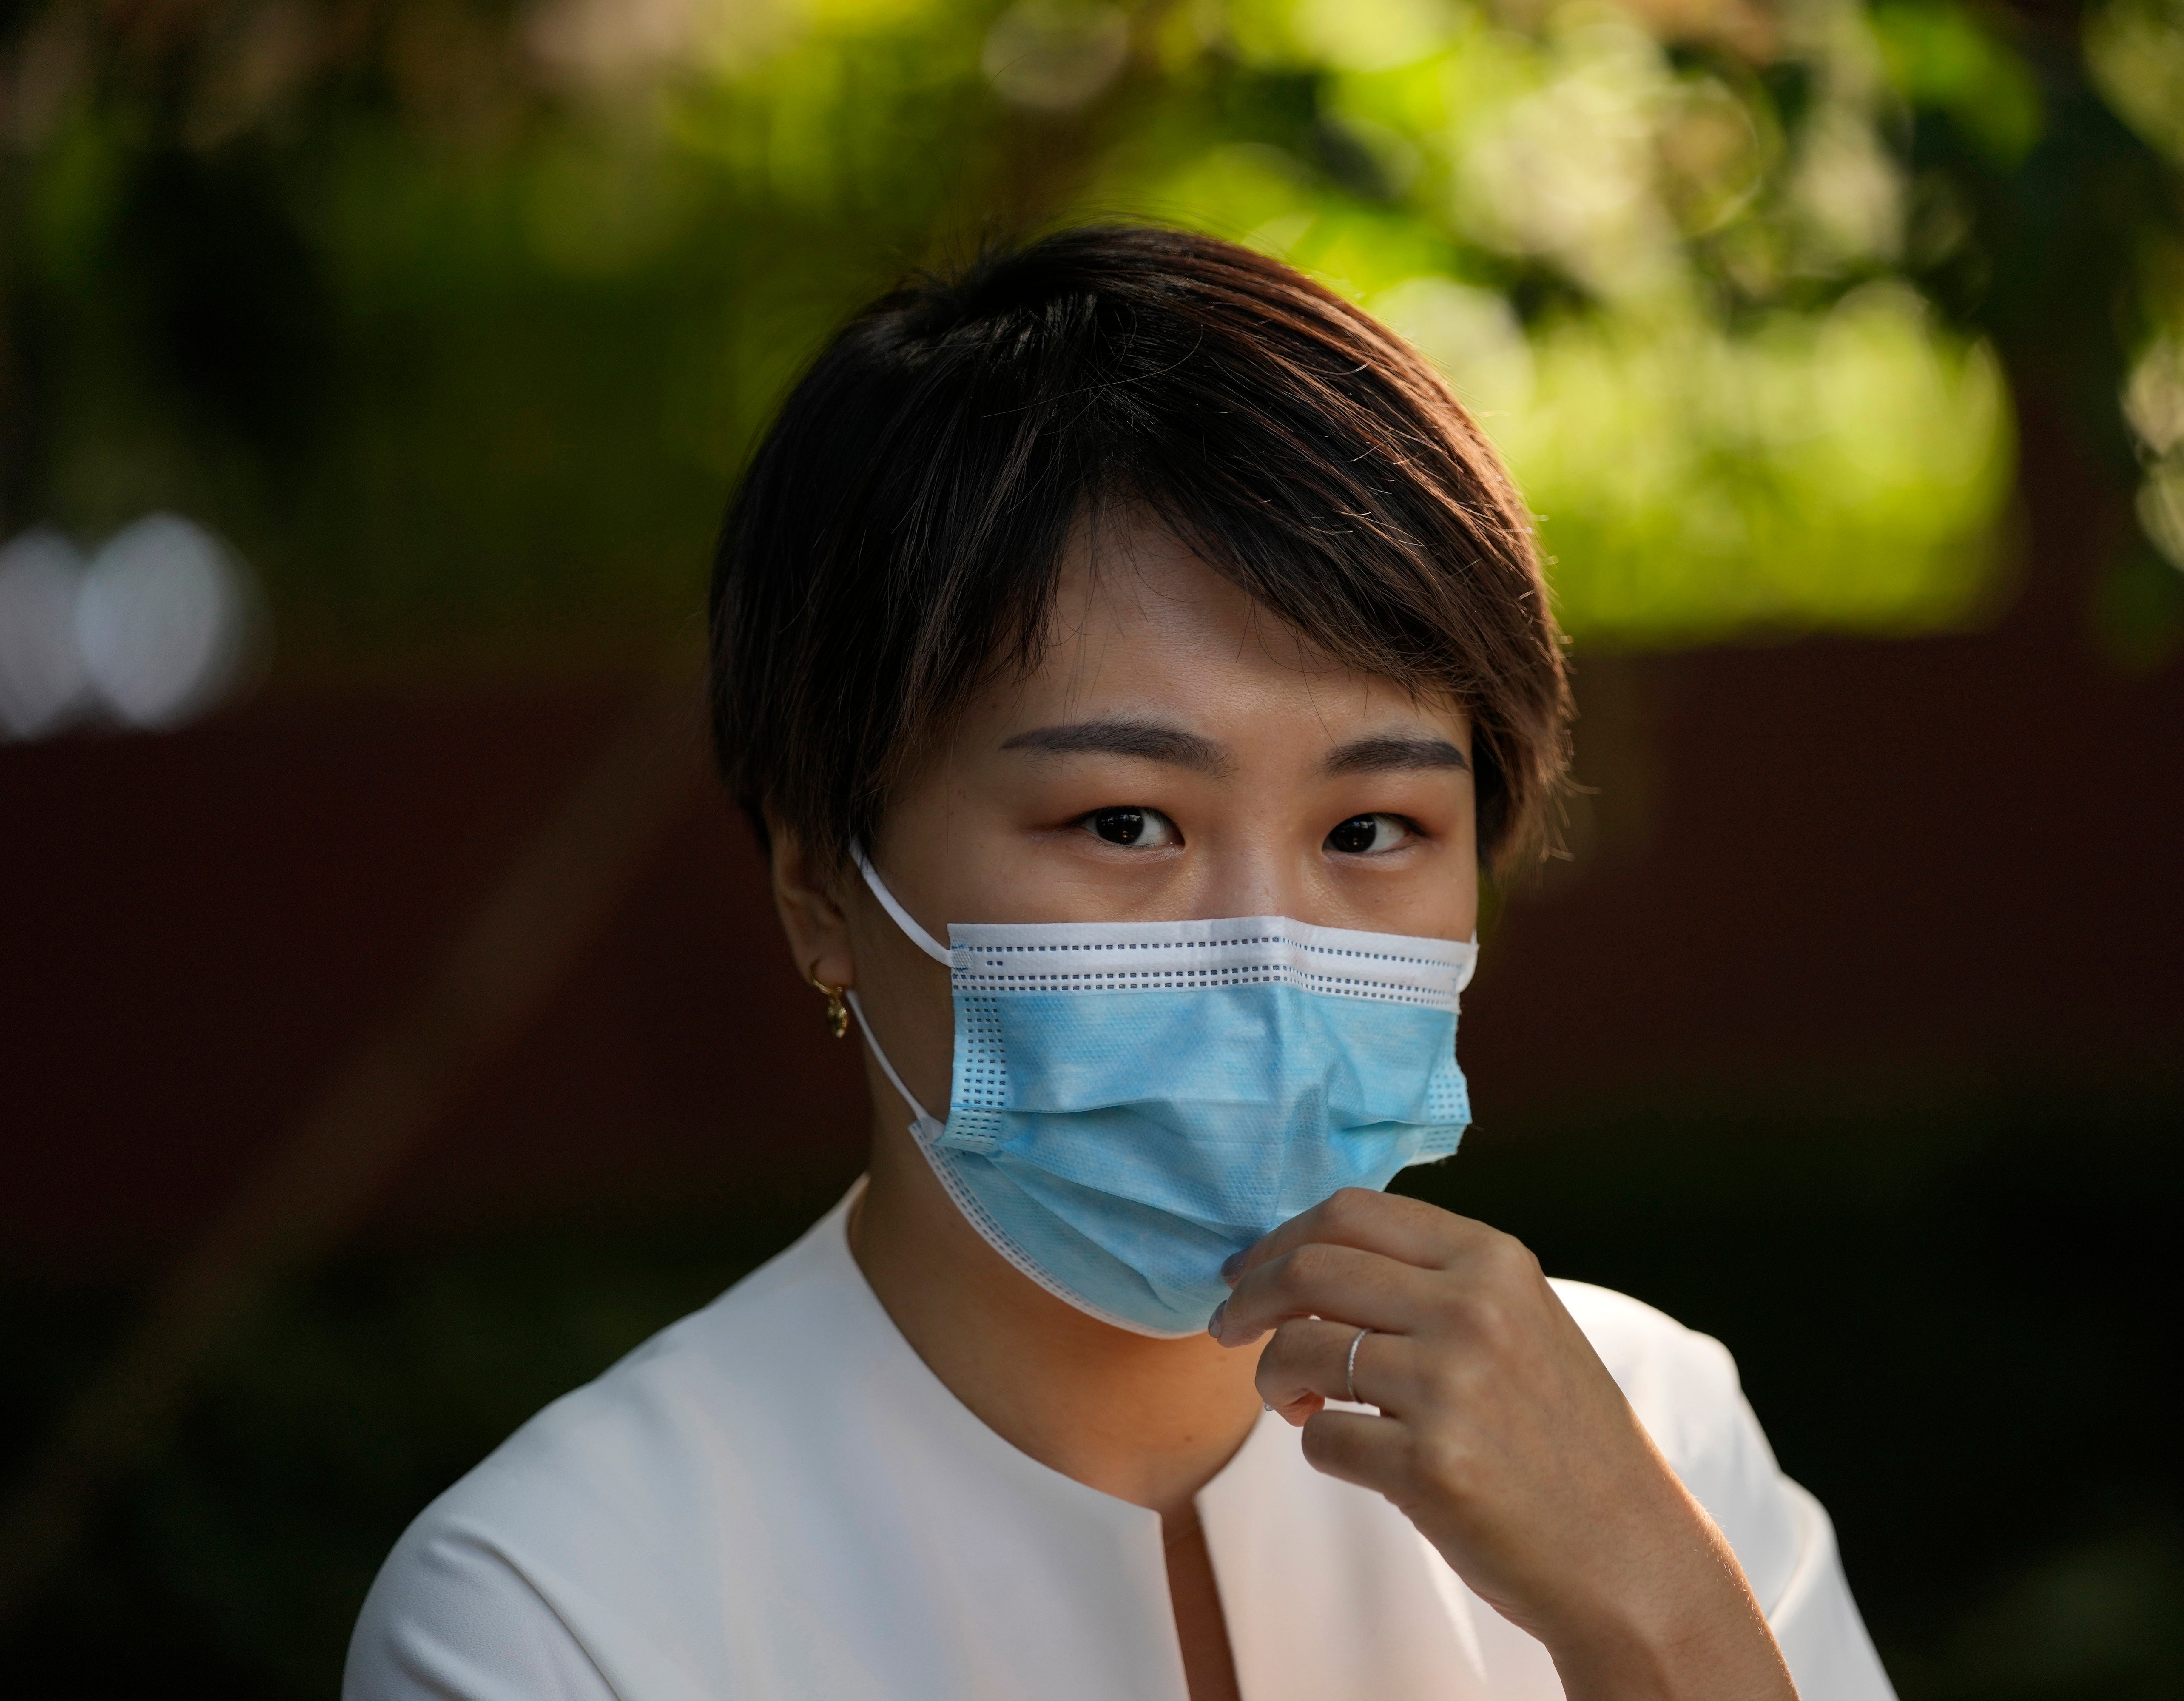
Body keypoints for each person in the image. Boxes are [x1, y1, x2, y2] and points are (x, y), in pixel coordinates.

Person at [344, 225, 1894, 1701]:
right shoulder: (564, 1615)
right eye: (1127, 819)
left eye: (1370, 831)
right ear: (820, 881)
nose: (1263, 962)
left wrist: (1660, 1618)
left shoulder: (1656, 1444)